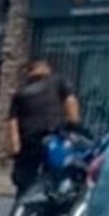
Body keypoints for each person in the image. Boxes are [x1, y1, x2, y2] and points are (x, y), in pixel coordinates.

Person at [7, 59, 81, 203]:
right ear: (46, 68)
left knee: (24, 179)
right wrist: (75, 124)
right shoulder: (59, 81)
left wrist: (15, 146)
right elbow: (71, 102)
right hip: (54, 134)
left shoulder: (21, 91)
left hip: (29, 140)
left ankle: (23, 202)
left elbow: (12, 121)